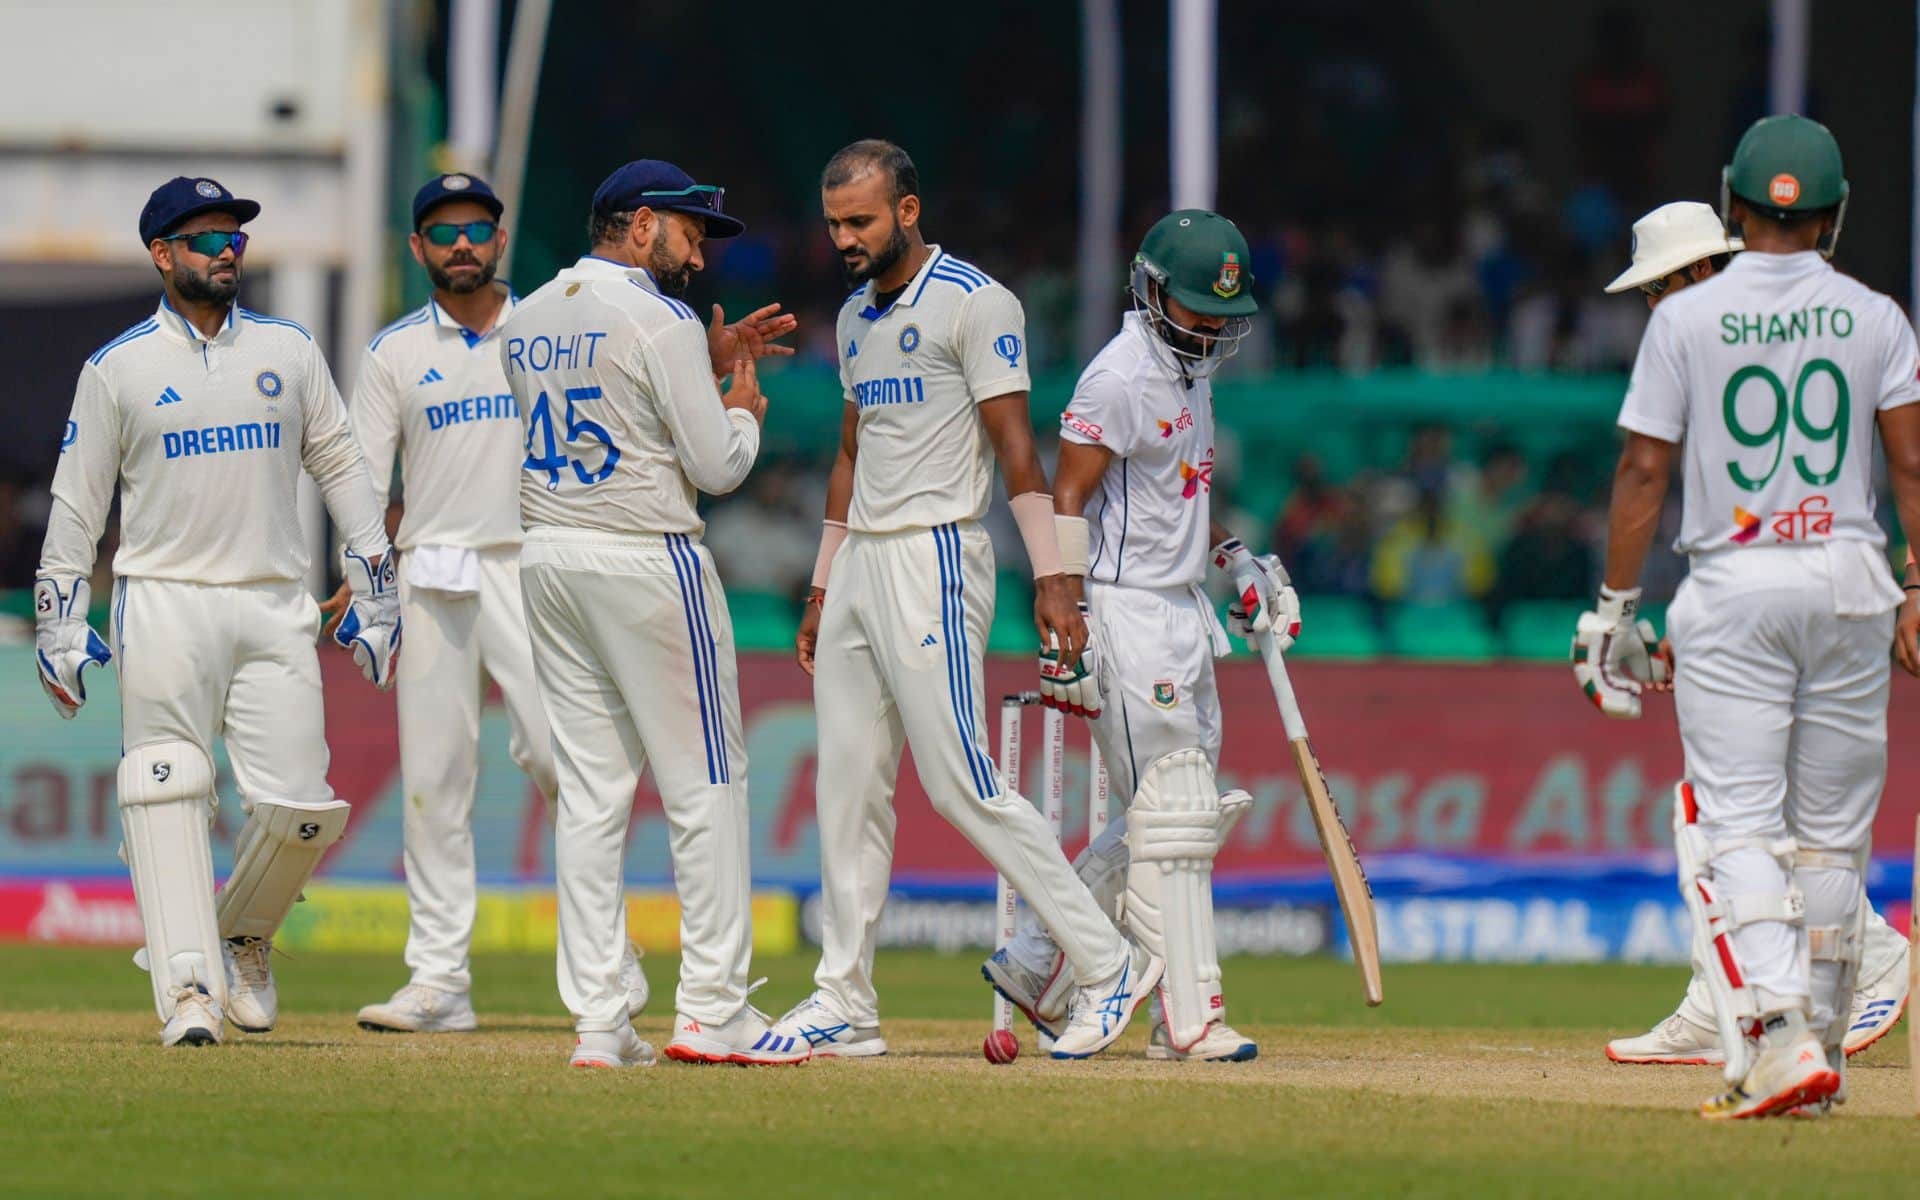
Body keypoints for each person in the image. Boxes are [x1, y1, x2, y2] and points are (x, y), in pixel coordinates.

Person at [768, 139, 1161, 1061]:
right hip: (862, 560)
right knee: (847, 789)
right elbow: (850, 455)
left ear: (907, 209)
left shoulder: (978, 303)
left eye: (860, 220)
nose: (845, 240)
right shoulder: (856, 319)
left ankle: (1102, 967)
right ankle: (845, 1004)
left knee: (960, 783)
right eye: (833, 225)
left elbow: (1019, 453)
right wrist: (824, 584)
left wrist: (1056, 579)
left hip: (937, 555)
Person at [1574, 116, 1920, 1119]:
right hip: (1853, 578)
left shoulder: (1687, 323)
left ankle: (1771, 1035)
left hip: (1737, 581)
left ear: (1733, 207)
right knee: (1830, 838)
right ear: (1835, 211)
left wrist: (1615, 608)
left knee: (1731, 823)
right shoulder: (1876, 314)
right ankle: (1816, 1055)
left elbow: (1644, 468)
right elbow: (1910, 464)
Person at [34, 176, 399, 1046]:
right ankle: (188, 995)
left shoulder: (289, 349)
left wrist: (378, 582)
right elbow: (77, 507)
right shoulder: (117, 367)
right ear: (163, 256)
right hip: (163, 601)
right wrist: (58, 617)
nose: (226, 249)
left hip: (275, 602)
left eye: (234, 235)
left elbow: (343, 467)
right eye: (205, 238)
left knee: (302, 810)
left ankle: (243, 934)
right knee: (167, 795)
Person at [328, 173, 646, 1034]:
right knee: (434, 783)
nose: (462, 243)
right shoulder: (394, 352)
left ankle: (609, 962)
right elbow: (363, 479)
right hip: (431, 572)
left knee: (560, 762)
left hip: (530, 566)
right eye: (444, 231)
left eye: (477, 228)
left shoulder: (546, 325)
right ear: (418, 248)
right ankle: (438, 982)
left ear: (500, 240)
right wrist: (364, 576)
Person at [980, 210, 1300, 1060]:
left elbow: (1182, 492)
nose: (1210, 329)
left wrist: (1237, 557)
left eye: (1221, 315)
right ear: (1150, 290)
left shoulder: (1190, 374)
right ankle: (1188, 1020)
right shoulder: (1117, 376)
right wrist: (1066, 611)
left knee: (1170, 816)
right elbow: (1067, 500)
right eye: (1195, 308)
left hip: (1185, 608)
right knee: (1174, 815)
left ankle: (1038, 960)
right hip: (1123, 609)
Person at [501, 158, 800, 1069]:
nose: (700, 257)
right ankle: (712, 1008)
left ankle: (600, 1022)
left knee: (592, 797)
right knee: (706, 781)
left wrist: (692, 363)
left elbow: (608, 396)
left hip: (548, 558)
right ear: (638, 226)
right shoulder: (658, 316)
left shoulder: (526, 317)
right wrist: (740, 405)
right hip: (646, 558)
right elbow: (717, 468)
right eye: (690, 232)